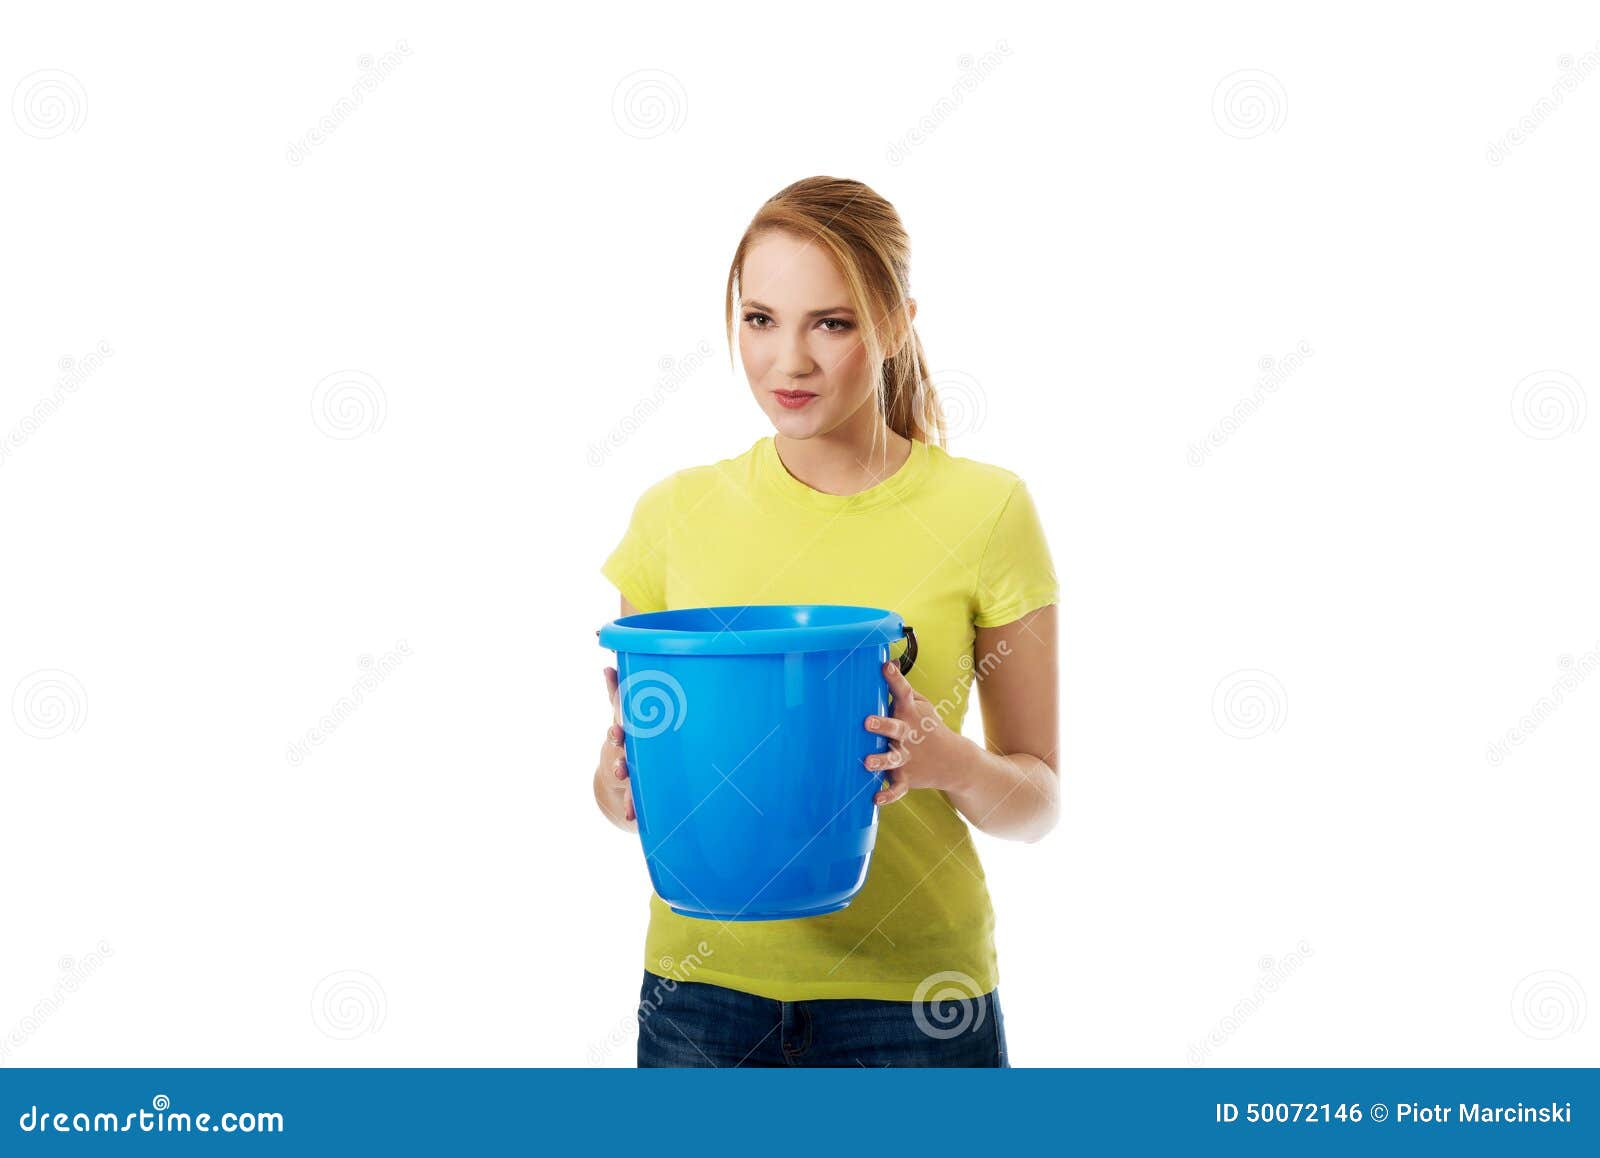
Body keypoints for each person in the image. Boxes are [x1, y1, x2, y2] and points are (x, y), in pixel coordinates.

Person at [596, 176, 1059, 1067]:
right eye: (761, 319)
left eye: (832, 323)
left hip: (915, 1004)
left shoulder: (988, 511)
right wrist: (619, 783)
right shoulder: (674, 516)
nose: (788, 362)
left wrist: (948, 761)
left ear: (895, 324)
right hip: (703, 998)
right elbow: (627, 802)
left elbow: (1038, 803)